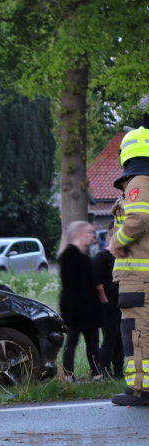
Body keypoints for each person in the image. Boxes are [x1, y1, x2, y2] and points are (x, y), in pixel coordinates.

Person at [109, 126, 149, 406]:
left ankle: (139, 389)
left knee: (135, 331)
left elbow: (138, 220)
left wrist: (116, 243)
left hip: (138, 278)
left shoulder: (139, 182)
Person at [58, 221, 102, 381]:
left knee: (92, 342)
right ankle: (68, 375)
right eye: (89, 232)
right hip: (76, 309)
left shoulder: (84, 256)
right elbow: (72, 285)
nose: (92, 236)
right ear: (79, 234)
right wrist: (87, 301)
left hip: (87, 309)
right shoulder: (69, 255)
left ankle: (97, 375)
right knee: (72, 341)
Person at [93, 224, 123, 378]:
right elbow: (97, 282)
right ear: (111, 238)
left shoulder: (121, 257)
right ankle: (105, 371)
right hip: (107, 305)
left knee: (120, 340)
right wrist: (106, 302)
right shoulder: (102, 257)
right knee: (109, 339)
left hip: (121, 304)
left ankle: (119, 372)